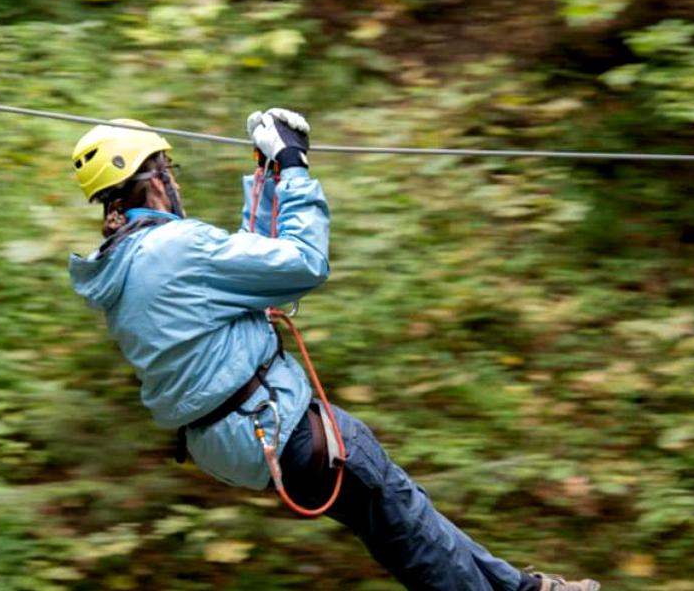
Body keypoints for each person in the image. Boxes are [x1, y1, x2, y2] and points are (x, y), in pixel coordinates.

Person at [67, 108, 601, 591]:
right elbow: (301, 262)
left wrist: (268, 178)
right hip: (280, 426)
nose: (175, 183)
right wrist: (295, 169)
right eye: (169, 170)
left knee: (401, 515)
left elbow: (250, 268)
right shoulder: (175, 247)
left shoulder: (125, 264)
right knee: (404, 524)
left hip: (236, 443)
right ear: (154, 179)